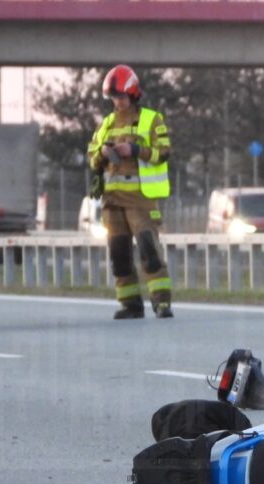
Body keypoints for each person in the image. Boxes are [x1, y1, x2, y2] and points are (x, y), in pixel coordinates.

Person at [87, 65, 174, 320]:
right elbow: (91, 156)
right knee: (119, 254)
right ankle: (130, 304)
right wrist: (102, 154)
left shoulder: (151, 119)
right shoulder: (107, 124)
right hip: (112, 201)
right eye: (113, 97)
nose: (117, 102)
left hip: (141, 200)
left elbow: (164, 151)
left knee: (149, 250)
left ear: (133, 94)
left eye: (121, 96)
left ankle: (161, 303)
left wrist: (136, 151)